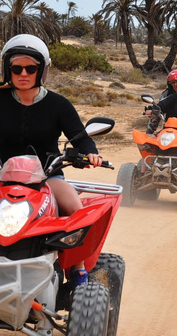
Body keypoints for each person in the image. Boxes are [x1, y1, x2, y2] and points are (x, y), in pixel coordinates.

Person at [0, 34, 103, 288]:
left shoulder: (58, 104)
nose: (23, 73)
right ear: (7, 70)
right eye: (16, 68)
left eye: (30, 68)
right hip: (3, 177)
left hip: (47, 177)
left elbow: (79, 136)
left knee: (76, 211)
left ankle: (78, 274)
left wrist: (90, 152)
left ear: (41, 70)